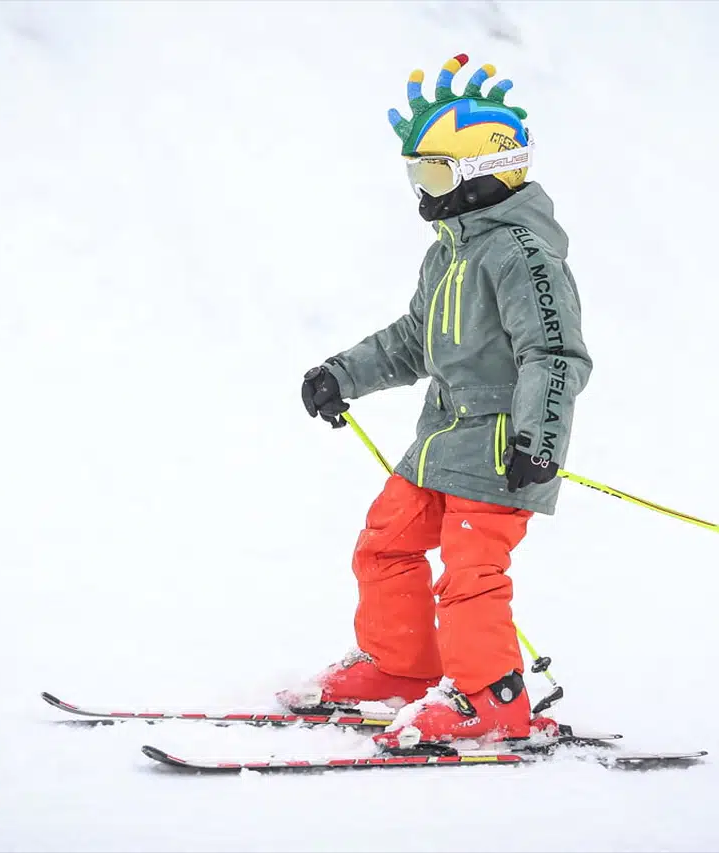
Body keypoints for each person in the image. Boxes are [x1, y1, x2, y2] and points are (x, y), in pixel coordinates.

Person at [287, 54, 593, 748]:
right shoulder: (447, 254)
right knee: (386, 541)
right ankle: (399, 666)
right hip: (440, 441)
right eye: (416, 175)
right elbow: (411, 341)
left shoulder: (522, 256)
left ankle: (491, 700)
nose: (421, 191)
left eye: (433, 174)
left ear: (482, 174)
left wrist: (540, 437)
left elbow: (554, 355)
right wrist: (343, 373)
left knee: (471, 572)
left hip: (501, 449)